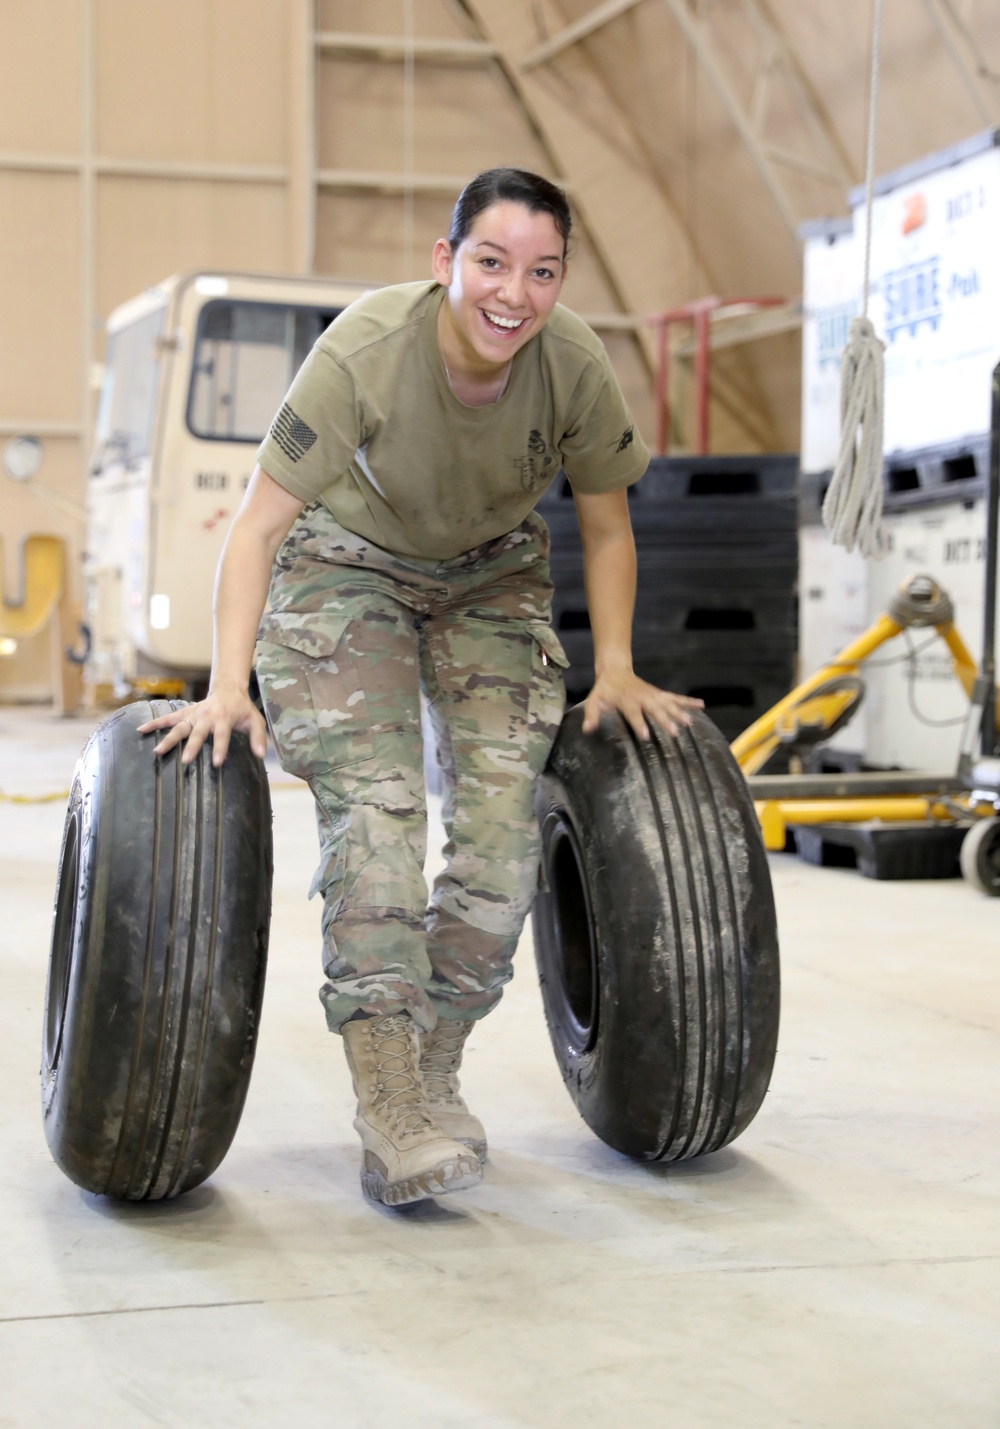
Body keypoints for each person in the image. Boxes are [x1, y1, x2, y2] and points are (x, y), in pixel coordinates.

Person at [139, 166, 702, 1208]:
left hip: (489, 571)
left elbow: (608, 520)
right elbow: (257, 527)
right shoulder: (365, 348)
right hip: (347, 563)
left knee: (500, 839)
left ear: (561, 278)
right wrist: (226, 688)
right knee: (382, 813)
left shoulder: (571, 363)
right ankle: (387, 1093)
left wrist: (615, 666)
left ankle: (435, 1057)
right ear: (446, 262)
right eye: (490, 262)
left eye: (540, 272)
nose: (513, 294)